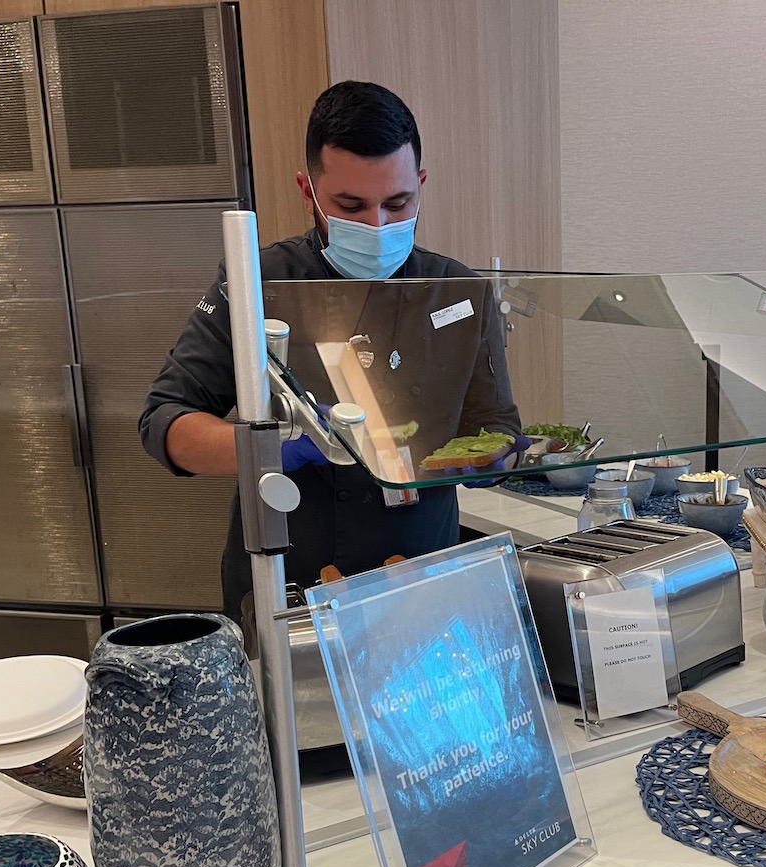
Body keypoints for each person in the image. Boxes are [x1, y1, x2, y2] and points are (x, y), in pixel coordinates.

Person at [140, 81, 522, 625]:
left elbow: (498, 425)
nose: (377, 226)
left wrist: (491, 459)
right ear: (307, 190)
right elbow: (164, 423)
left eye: (398, 203)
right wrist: (275, 446)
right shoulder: (259, 282)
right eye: (351, 206)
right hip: (286, 580)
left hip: (420, 578)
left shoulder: (459, 291)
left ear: (421, 184)